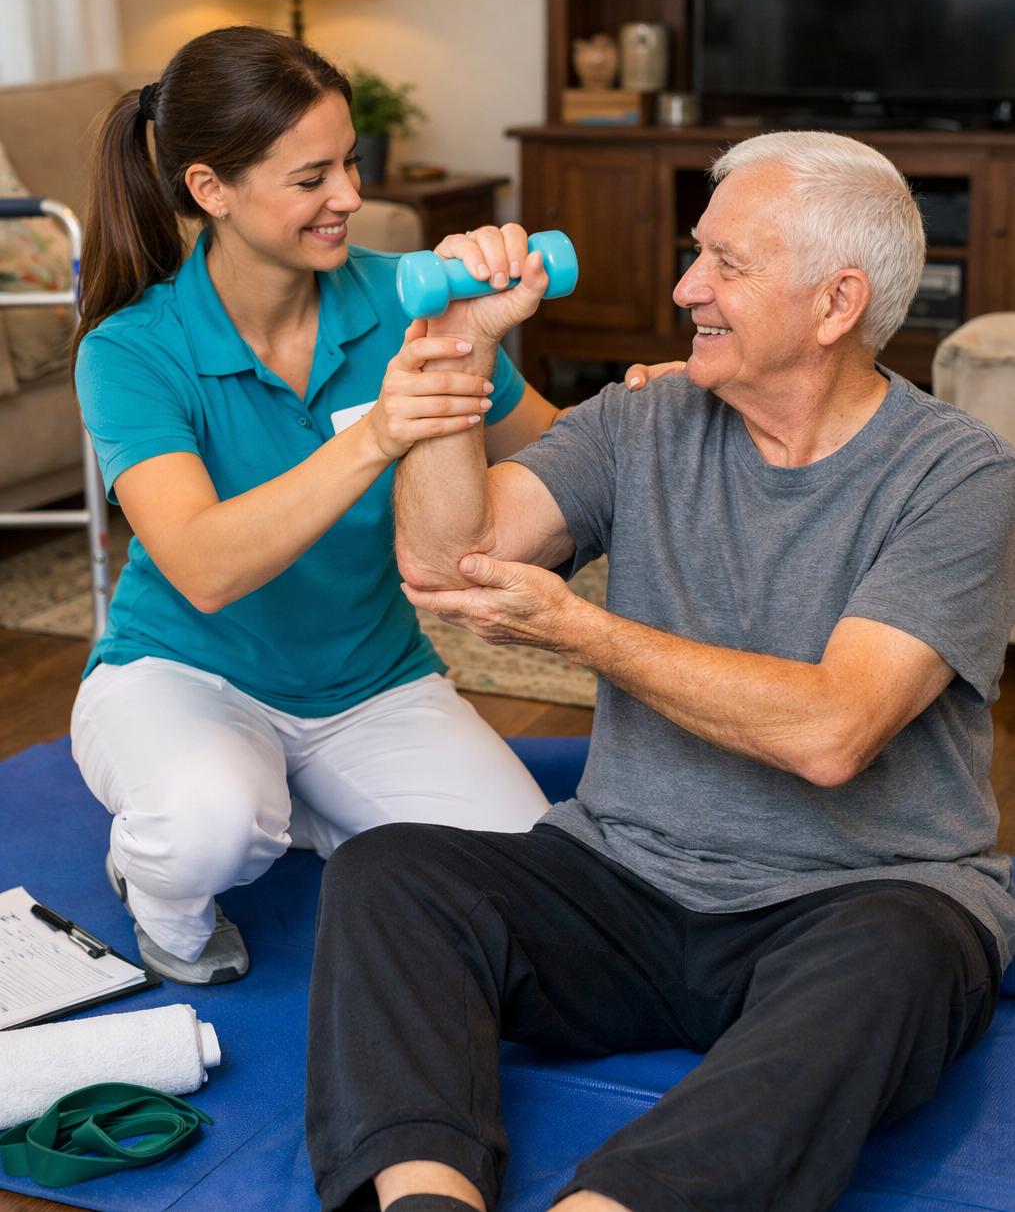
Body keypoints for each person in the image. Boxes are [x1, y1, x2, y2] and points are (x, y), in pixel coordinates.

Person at [305, 130, 1015, 1212]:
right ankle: (423, 1199)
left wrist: (584, 632)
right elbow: (448, 562)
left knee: (902, 960)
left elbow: (834, 730)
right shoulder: (642, 417)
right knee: (389, 873)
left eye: (727, 263)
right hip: (626, 880)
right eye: (696, 254)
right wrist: (453, 354)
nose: (687, 287)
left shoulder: (959, 476)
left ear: (836, 304)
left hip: (853, 899)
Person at [70, 25, 677, 988]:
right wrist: (377, 434)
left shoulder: (408, 300)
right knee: (208, 830)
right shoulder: (132, 349)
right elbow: (201, 563)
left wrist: (661, 407)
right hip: (184, 673)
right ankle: (160, 870)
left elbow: (562, 455)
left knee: (521, 874)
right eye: (310, 178)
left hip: (372, 682)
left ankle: (295, 804)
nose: (349, 196)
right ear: (208, 189)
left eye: (348, 163)